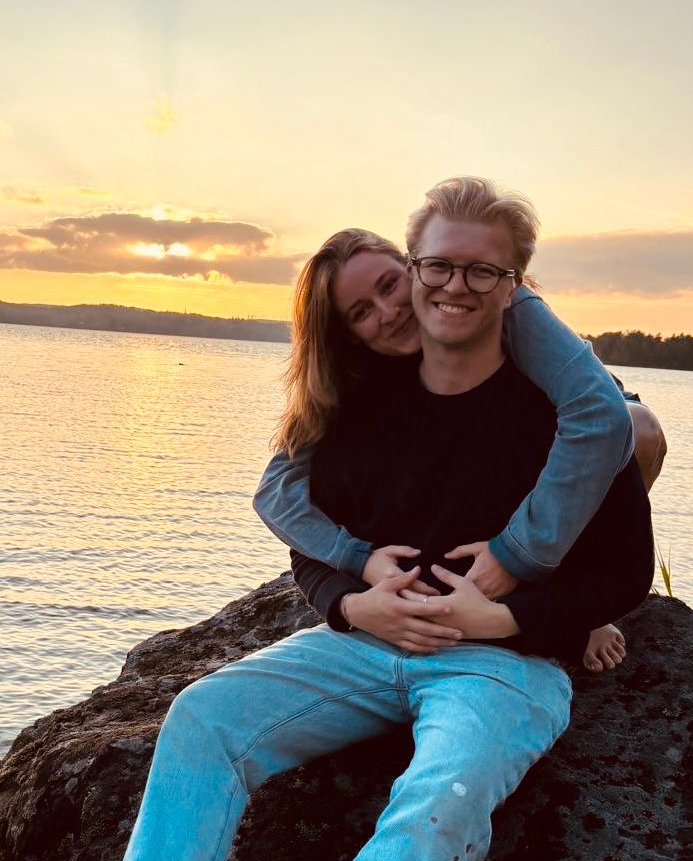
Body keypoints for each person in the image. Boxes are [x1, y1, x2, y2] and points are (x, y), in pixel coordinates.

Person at [103, 177, 654, 861]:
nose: (442, 290)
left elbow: (623, 566)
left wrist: (513, 616)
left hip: (501, 666)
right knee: (201, 717)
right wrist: (351, 599)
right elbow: (307, 538)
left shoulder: (563, 416)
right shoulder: (361, 403)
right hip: (365, 647)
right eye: (435, 269)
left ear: (513, 286)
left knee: (440, 797)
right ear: (419, 265)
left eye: (479, 272)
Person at [254, 220, 666, 671]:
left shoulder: (503, 304)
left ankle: (579, 598)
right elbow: (277, 489)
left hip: (587, 402)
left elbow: (597, 413)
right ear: (348, 335)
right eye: (361, 312)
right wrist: (359, 562)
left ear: (412, 265)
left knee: (635, 428)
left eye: (390, 285)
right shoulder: (358, 386)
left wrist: (517, 561)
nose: (389, 311)